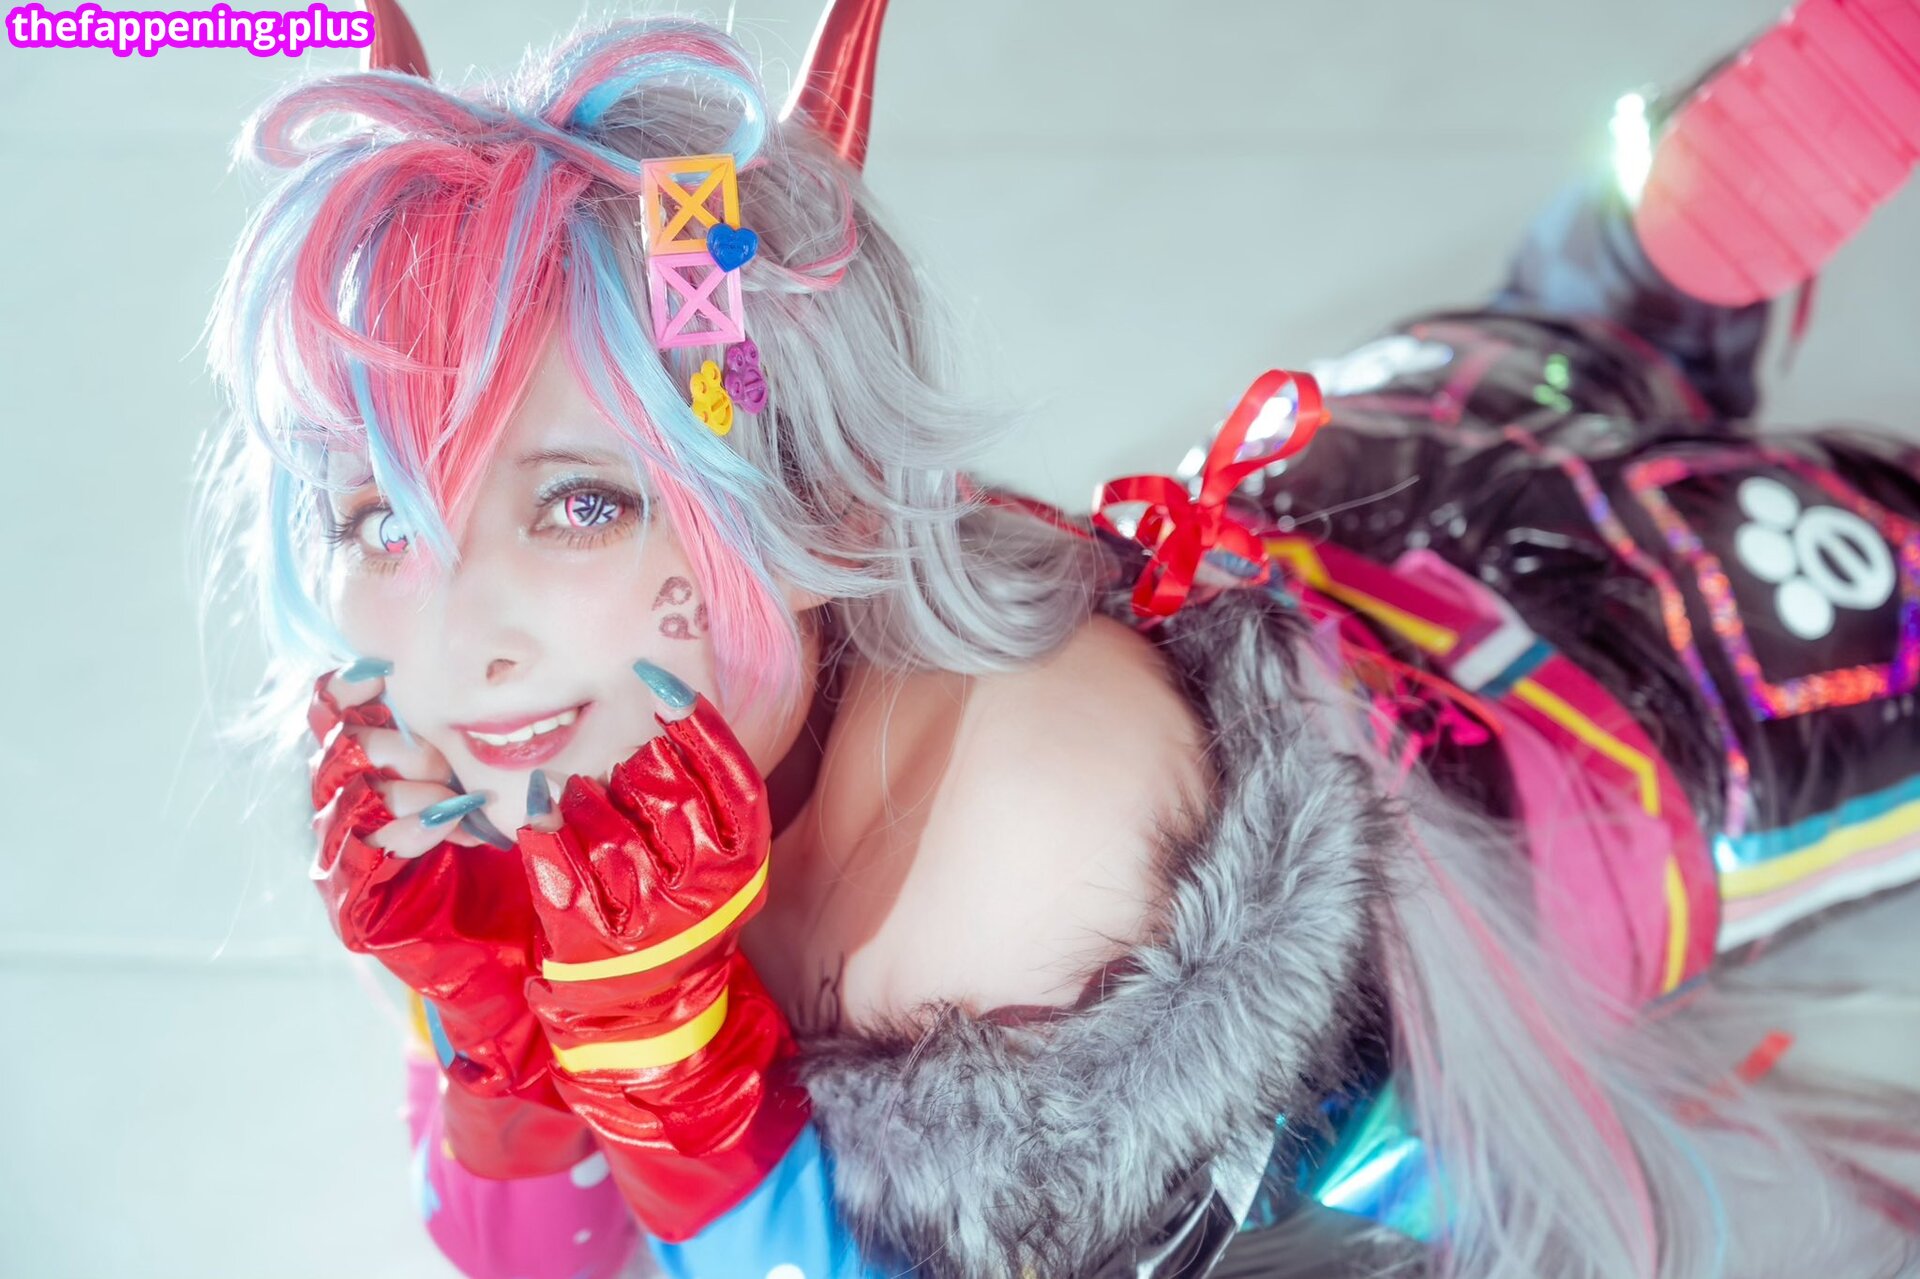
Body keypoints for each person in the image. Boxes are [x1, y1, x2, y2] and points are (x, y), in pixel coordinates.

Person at [197, 1, 1920, 1276]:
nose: (458, 630)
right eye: (380, 518)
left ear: (817, 509)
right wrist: (492, 1022)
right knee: (1533, 350)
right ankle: (1632, 276)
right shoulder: (519, 738)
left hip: (1605, 709)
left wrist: (663, 1072)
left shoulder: (1022, 841)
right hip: (1339, 481)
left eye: (581, 503)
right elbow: (528, 1259)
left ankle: (1648, 284)